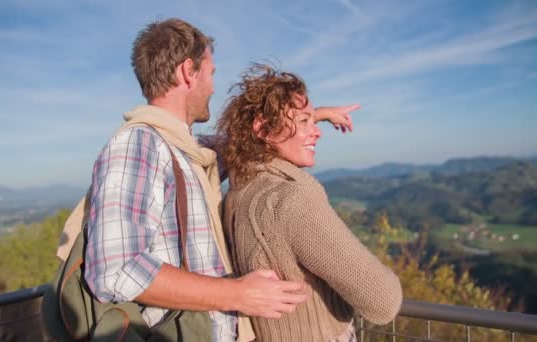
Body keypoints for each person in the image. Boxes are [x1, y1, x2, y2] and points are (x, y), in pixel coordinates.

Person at [80, 18, 357, 341]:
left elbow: (249, 137)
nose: (213, 86)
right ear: (188, 71)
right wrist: (237, 294)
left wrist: (313, 116)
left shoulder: (185, 150)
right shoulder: (138, 145)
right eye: (210, 73)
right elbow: (115, 271)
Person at [217, 64, 403, 341]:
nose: (317, 131)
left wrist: (320, 114)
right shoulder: (292, 198)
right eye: (305, 122)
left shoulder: (239, 190)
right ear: (263, 129)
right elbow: (382, 302)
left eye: (313, 121)